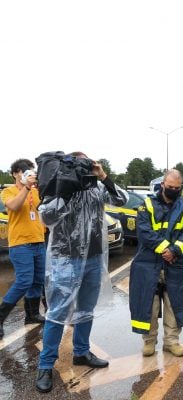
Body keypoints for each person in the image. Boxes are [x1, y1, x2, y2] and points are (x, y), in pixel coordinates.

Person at [34, 151, 128, 393]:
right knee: (57, 312)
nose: (84, 170)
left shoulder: (96, 188)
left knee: (86, 309)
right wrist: (65, 188)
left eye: (87, 165)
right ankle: (45, 365)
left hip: (94, 258)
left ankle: (81, 352)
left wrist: (103, 175)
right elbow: (46, 216)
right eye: (80, 166)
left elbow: (122, 200)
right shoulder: (60, 188)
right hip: (66, 259)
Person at [128, 169, 183, 357]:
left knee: (173, 305)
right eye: (170, 187)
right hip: (148, 263)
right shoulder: (147, 205)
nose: (173, 190)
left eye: (177, 188)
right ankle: (149, 341)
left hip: (175, 264)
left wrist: (174, 251)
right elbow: (144, 232)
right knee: (148, 306)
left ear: (181, 186)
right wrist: (166, 249)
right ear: (163, 185)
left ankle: (171, 342)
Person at [0, 159, 46, 339]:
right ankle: (1, 318)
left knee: (37, 281)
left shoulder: (36, 190)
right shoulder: (8, 191)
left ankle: (32, 314)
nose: (25, 174)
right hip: (20, 244)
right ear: (14, 174)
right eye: (21, 171)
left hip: (39, 241)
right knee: (24, 281)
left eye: (28, 171)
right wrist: (26, 187)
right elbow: (13, 206)